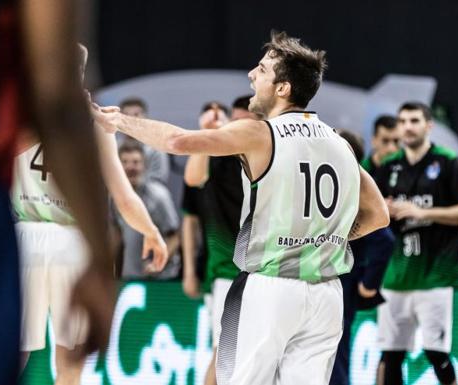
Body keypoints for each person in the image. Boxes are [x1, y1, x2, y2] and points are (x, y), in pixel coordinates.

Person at [93, 30, 389, 385]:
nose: (251, 75)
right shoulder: (339, 143)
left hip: (270, 288)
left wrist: (119, 121)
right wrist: (333, 238)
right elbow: (379, 215)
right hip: (326, 295)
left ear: (283, 89)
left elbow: (178, 141)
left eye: (262, 70)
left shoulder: (260, 133)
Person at [0, 1, 113, 383]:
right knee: (62, 360)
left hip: (25, 227)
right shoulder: (96, 123)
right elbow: (57, 102)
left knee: (33, 351)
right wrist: (100, 253)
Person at [14, 44, 168, 385]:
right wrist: (152, 232)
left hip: (24, 237)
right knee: (71, 357)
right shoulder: (93, 122)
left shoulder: (20, 111)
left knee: (13, 352)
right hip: (73, 242)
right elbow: (124, 198)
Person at [375, 102, 458, 385]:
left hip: (435, 275)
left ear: (428, 125)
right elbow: (366, 211)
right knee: (391, 355)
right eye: (403, 121)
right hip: (396, 274)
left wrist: (423, 212)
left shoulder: (446, 161)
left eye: (414, 120)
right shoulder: (389, 166)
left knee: (436, 353)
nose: (408, 127)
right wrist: (383, 208)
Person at [182, 97, 256, 385]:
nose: (236, 128)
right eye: (233, 121)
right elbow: (192, 179)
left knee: (252, 357)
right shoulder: (218, 156)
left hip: (267, 271)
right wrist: (206, 134)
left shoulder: (268, 154)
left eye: (243, 122)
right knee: (225, 353)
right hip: (227, 271)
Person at [330, 129, 395, 385]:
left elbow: (384, 238)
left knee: (334, 354)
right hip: (328, 278)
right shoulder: (331, 182)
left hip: (341, 279)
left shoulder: (352, 185)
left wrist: (369, 283)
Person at [112, 141, 179, 280]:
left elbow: (175, 236)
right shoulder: (113, 197)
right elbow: (116, 234)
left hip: (160, 279)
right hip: (129, 275)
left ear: (145, 165)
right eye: (125, 162)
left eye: (136, 162)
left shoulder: (159, 196)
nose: (130, 167)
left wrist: (156, 263)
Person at [118, 97, 171, 186]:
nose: (131, 119)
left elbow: (159, 180)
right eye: (126, 115)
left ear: (145, 118)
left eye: (136, 114)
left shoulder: (156, 149)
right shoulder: (112, 148)